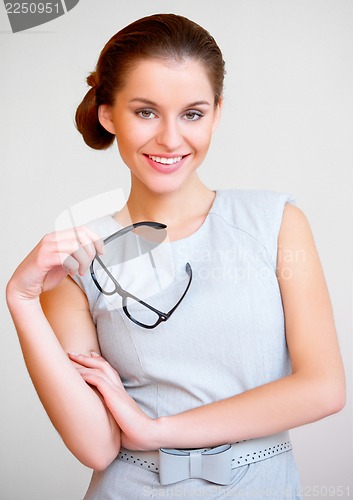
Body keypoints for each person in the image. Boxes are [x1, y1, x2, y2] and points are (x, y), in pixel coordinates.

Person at [6, 13, 345, 500]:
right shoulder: (78, 258)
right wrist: (21, 298)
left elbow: (323, 388)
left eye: (193, 113)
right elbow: (97, 446)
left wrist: (156, 430)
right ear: (108, 114)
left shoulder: (275, 224)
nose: (169, 138)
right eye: (145, 112)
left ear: (217, 113)